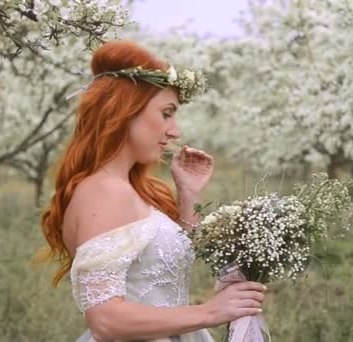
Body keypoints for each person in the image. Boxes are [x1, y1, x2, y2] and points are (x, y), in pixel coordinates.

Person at [38, 40, 266, 342]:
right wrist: (210, 312)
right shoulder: (104, 192)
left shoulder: (125, 189)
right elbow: (105, 320)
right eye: (166, 113)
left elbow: (163, 270)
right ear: (126, 111)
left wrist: (187, 195)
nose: (175, 131)